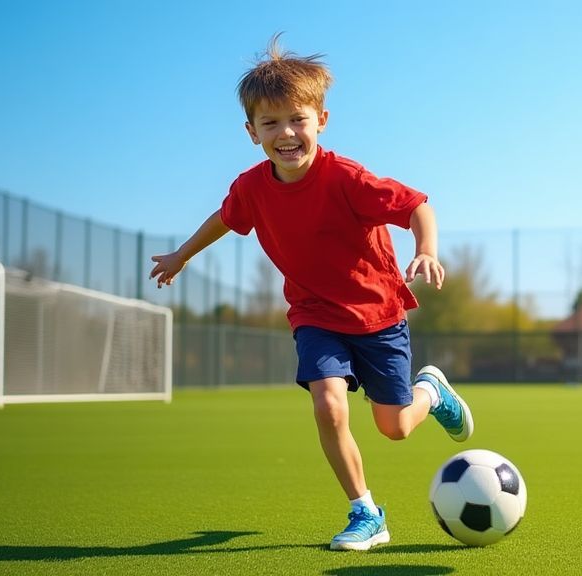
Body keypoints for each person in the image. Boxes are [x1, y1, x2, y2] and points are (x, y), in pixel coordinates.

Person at [148, 34, 473, 552]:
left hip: (378, 315)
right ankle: (366, 512)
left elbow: (416, 207)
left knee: (393, 428)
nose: (286, 133)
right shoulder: (251, 188)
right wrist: (182, 254)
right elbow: (224, 219)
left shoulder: (346, 178)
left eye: (297, 119)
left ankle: (430, 391)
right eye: (270, 123)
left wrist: (427, 247)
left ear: (322, 120)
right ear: (251, 132)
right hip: (314, 315)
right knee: (329, 405)